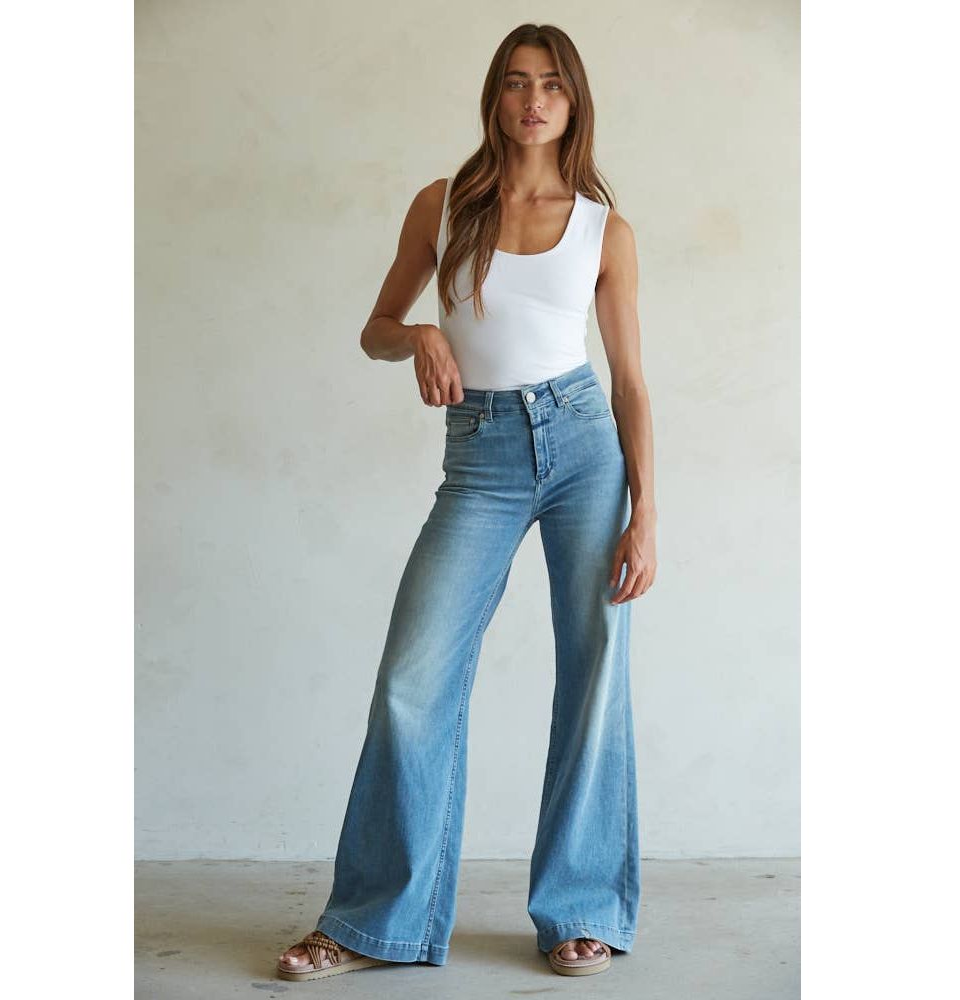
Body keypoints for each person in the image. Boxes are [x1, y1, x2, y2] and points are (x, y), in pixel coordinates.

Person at [278, 22, 657, 982]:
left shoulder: (602, 229)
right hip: (479, 455)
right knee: (412, 677)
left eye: (552, 85)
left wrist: (645, 514)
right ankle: (376, 921)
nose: (534, 100)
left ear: (573, 101)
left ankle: (581, 910)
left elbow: (629, 382)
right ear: (494, 97)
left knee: (593, 671)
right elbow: (374, 327)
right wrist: (417, 335)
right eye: (517, 83)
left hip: (583, 448)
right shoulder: (442, 205)